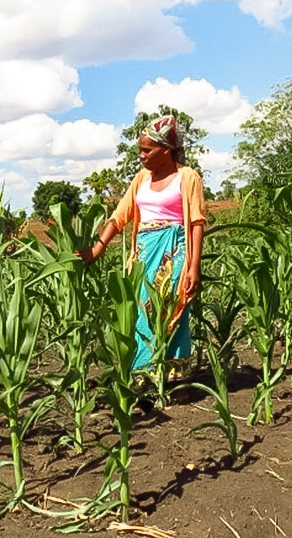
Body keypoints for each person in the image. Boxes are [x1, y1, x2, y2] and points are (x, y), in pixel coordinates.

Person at [77, 115, 206, 381]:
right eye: (140, 150)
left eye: (147, 150)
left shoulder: (187, 177)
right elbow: (119, 216)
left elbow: (196, 222)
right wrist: (97, 249)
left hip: (175, 253)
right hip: (143, 256)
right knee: (141, 314)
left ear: (166, 150)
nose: (141, 155)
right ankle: (144, 377)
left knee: (171, 311)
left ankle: (174, 379)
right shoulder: (141, 180)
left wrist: (194, 267)